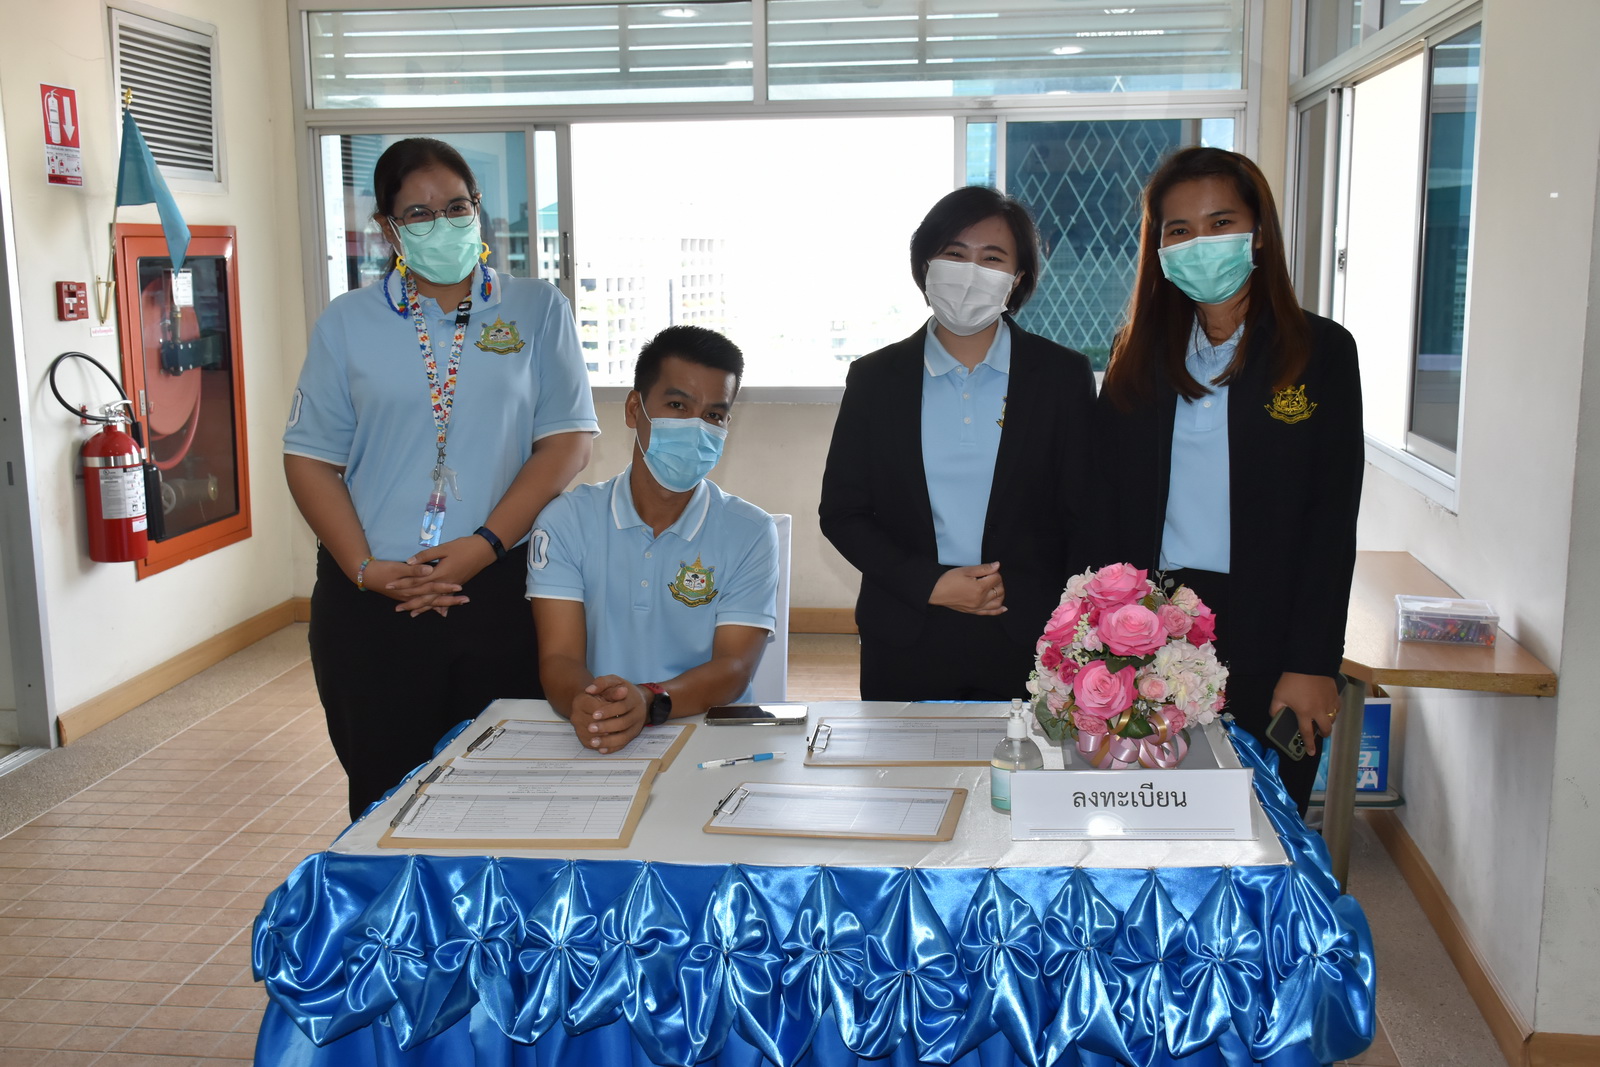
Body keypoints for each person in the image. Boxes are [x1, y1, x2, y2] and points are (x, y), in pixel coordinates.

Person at [284, 137, 597, 818]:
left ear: (478, 209)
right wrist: (366, 569)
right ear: (388, 228)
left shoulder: (536, 308)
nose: (442, 223)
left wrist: (483, 546)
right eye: (418, 213)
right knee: (386, 801)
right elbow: (309, 457)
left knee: (508, 794)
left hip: (499, 588)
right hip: (374, 601)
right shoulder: (348, 322)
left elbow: (567, 442)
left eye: (456, 206)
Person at [1095, 146, 1364, 814]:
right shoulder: (1136, 357)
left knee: (1263, 823)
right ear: (1160, 249)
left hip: (1274, 632)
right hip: (1156, 627)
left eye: (1220, 223)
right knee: (1156, 812)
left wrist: (1312, 661)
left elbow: (1332, 520)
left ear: (1259, 233)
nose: (1201, 244)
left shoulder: (1320, 353)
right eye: (1179, 230)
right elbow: (1106, 507)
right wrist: (1104, 642)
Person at [819, 186, 1096, 701]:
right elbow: (843, 513)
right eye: (954, 253)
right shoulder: (875, 378)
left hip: (1030, 632)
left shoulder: (1061, 376)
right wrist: (929, 583)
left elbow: (1083, 513)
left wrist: (1064, 613)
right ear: (926, 266)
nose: (970, 272)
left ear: (1016, 279)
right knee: (903, 756)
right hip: (906, 628)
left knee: (1028, 756)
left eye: (992, 258)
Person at [528, 326, 778, 754]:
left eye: (713, 416)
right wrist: (592, 708)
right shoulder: (566, 521)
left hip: (708, 737)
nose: (696, 428)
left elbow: (734, 667)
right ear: (634, 408)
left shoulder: (751, 531)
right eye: (678, 406)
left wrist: (649, 700)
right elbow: (559, 659)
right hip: (594, 734)